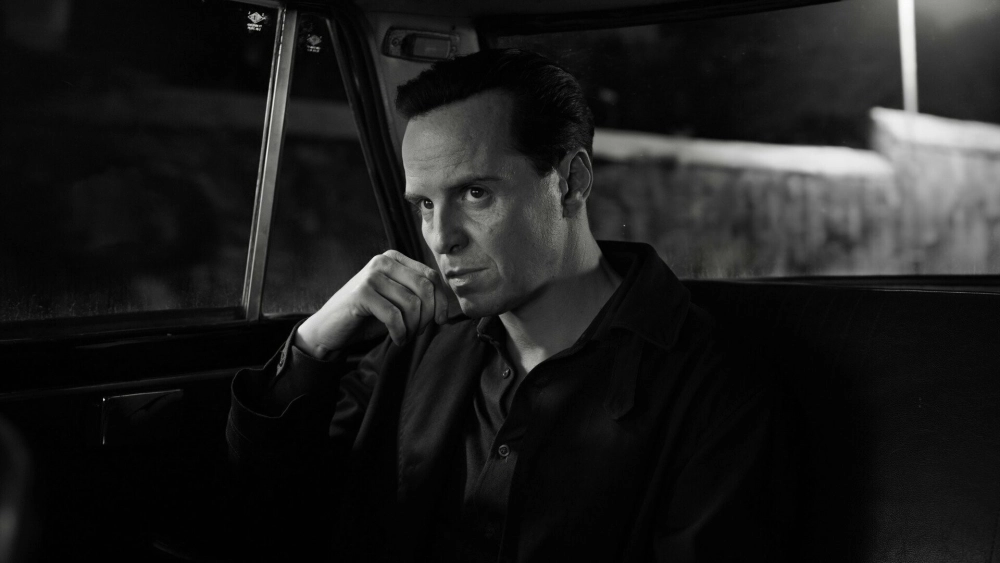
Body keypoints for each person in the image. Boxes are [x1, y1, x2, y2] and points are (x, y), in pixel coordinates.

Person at [227, 48, 790, 562]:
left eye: (476, 194)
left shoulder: (709, 385)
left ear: (570, 182)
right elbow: (271, 506)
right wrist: (314, 342)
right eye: (425, 204)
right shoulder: (418, 342)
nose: (440, 238)